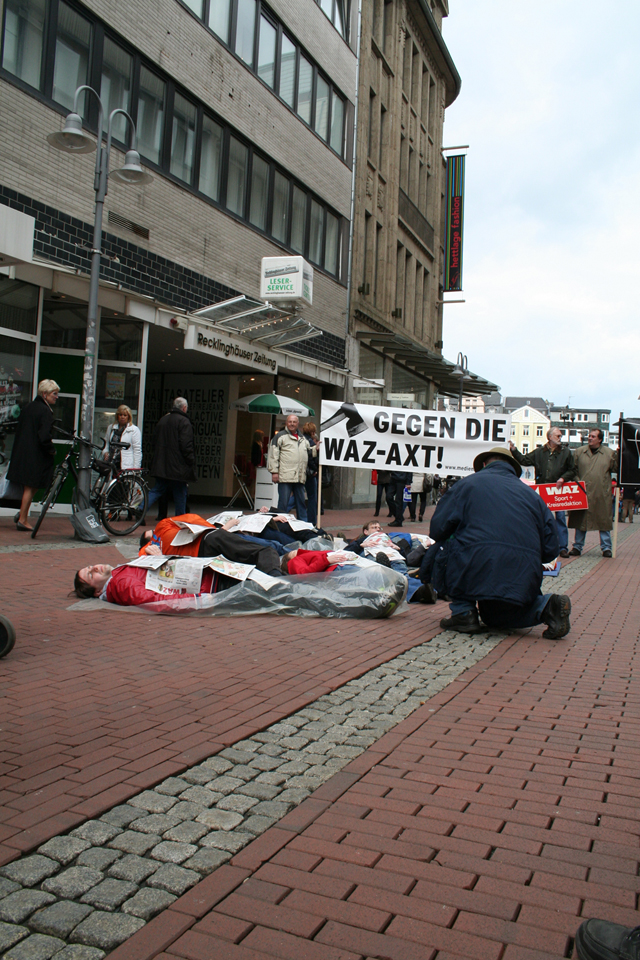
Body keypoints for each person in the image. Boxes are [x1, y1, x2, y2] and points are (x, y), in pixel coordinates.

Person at [429, 446, 571, 638]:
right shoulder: (532, 495)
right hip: (522, 572)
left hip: (473, 563)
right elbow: (550, 549)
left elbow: (438, 529)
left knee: (440, 548)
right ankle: (546, 607)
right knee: (495, 618)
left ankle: (464, 612)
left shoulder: (466, 485)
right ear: (512, 468)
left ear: (485, 464)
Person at [509, 426, 576, 558]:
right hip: (543, 489)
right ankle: (541, 545)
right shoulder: (540, 452)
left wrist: (563, 478)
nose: (560, 438)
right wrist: (514, 450)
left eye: (560, 436)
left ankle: (562, 547)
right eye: (557, 436)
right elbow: (524, 460)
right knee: (541, 517)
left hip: (558, 490)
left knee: (560, 518)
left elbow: (573, 470)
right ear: (550, 437)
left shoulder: (566, 452)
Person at [7, 379, 60, 531]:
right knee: (31, 487)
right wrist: (51, 449)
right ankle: (23, 519)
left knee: (28, 487)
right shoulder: (45, 411)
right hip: (35, 456)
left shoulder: (28, 407)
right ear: (45, 394)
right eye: (54, 394)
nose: (56, 397)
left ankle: (22, 513)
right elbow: (43, 436)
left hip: (23, 453)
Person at [568, 429, 618, 557]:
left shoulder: (609, 453)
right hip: (582, 491)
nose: (590, 438)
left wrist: (620, 455)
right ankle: (577, 547)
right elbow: (572, 470)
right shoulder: (579, 452)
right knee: (580, 520)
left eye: (593, 436)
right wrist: (577, 481)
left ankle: (606, 547)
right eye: (589, 436)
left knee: (604, 520)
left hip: (600, 492)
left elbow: (616, 469)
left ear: (600, 439)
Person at [147, 397, 196, 518]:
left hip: (161, 464)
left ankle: (141, 508)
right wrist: (191, 461)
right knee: (180, 493)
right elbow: (186, 444)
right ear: (184, 408)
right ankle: (180, 519)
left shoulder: (163, 420)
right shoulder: (184, 422)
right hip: (177, 466)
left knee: (157, 489)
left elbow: (154, 441)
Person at [267, 414, 318, 519]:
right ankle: (279, 526)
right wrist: (274, 472)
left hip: (299, 477)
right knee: (283, 503)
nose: (292, 424)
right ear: (286, 422)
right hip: (285, 476)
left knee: (301, 503)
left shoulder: (303, 438)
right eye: (290, 421)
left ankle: (302, 527)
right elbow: (273, 455)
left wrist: (315, 449)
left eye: (294, 422)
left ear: (298, 423)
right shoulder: (280, 436)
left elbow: (308, 452)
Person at [104, 405, 142, 470]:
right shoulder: (111, 428)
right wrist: (105, 452)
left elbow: (137, 450)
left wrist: (136, 468)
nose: (122, 417)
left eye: (125, 415)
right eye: (120, 415)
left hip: (125, 463)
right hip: (111, 461)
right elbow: (106, 443)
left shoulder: (134, 430)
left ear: (129, 417)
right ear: (117, 416)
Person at [302, 422, 319, 525]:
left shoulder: (301, 440)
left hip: (301, 472)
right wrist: (315, 469)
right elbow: (311, 459)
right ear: (312, 432)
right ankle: (312, 521)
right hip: (310, 473)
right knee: (312, 497)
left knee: (298, 495)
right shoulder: (311, 443)